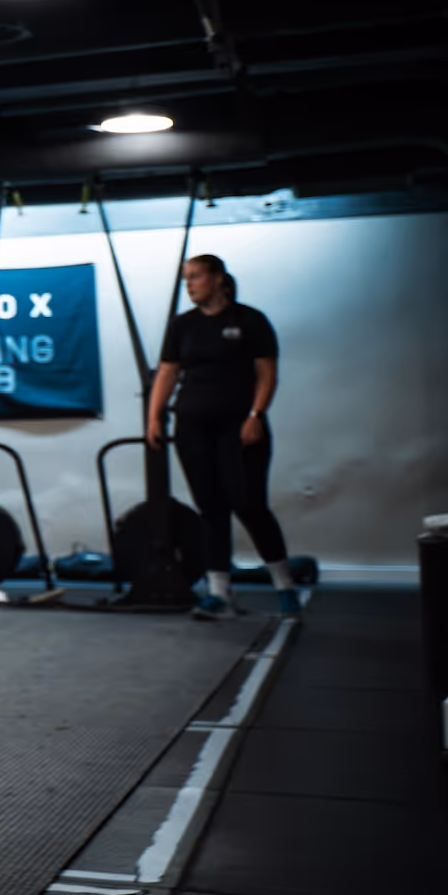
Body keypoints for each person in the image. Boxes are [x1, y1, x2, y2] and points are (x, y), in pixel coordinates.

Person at [146, 254, 299, 620]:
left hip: (240, 425)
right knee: (211, 509)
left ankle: (284, 585)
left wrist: (256, 415)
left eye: (196, 277)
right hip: (192, 425)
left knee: (248, 505)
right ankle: (218, 594)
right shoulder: (182, 326)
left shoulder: (250, 320)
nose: (190, 285)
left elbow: (267, 374)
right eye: (186, 279)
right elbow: (167, 372)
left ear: (218, 279)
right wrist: (154, 415)